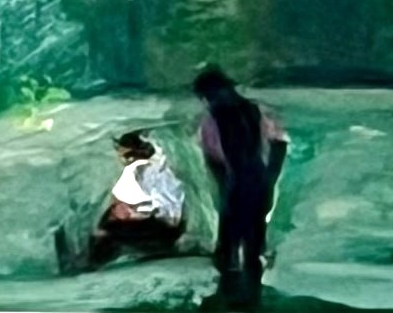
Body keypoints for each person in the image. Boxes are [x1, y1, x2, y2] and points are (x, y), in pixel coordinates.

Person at [193, 66, 288, 305]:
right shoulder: (236, 115)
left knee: (241, 241)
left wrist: (268, 177)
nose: (208, 101)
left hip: (247, 183)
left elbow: (278, 145)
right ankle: (240, 295)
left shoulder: (238, 115)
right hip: (247, 183)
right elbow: (278, 145)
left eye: (208, 96)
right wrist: (267, 177)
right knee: (240, 241)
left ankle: (240, 295)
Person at [61, 131, 188, 271]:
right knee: (110, 224)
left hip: (167, 229)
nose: (124, 161)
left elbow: (169, 210)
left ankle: (90, 264)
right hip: (162, 224)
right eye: (122, 156)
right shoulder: (142, 171)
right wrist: (133, 212)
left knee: (109, 231)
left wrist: (135, 215)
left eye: (127, 156)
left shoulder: (152, 170)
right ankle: (89, 259)